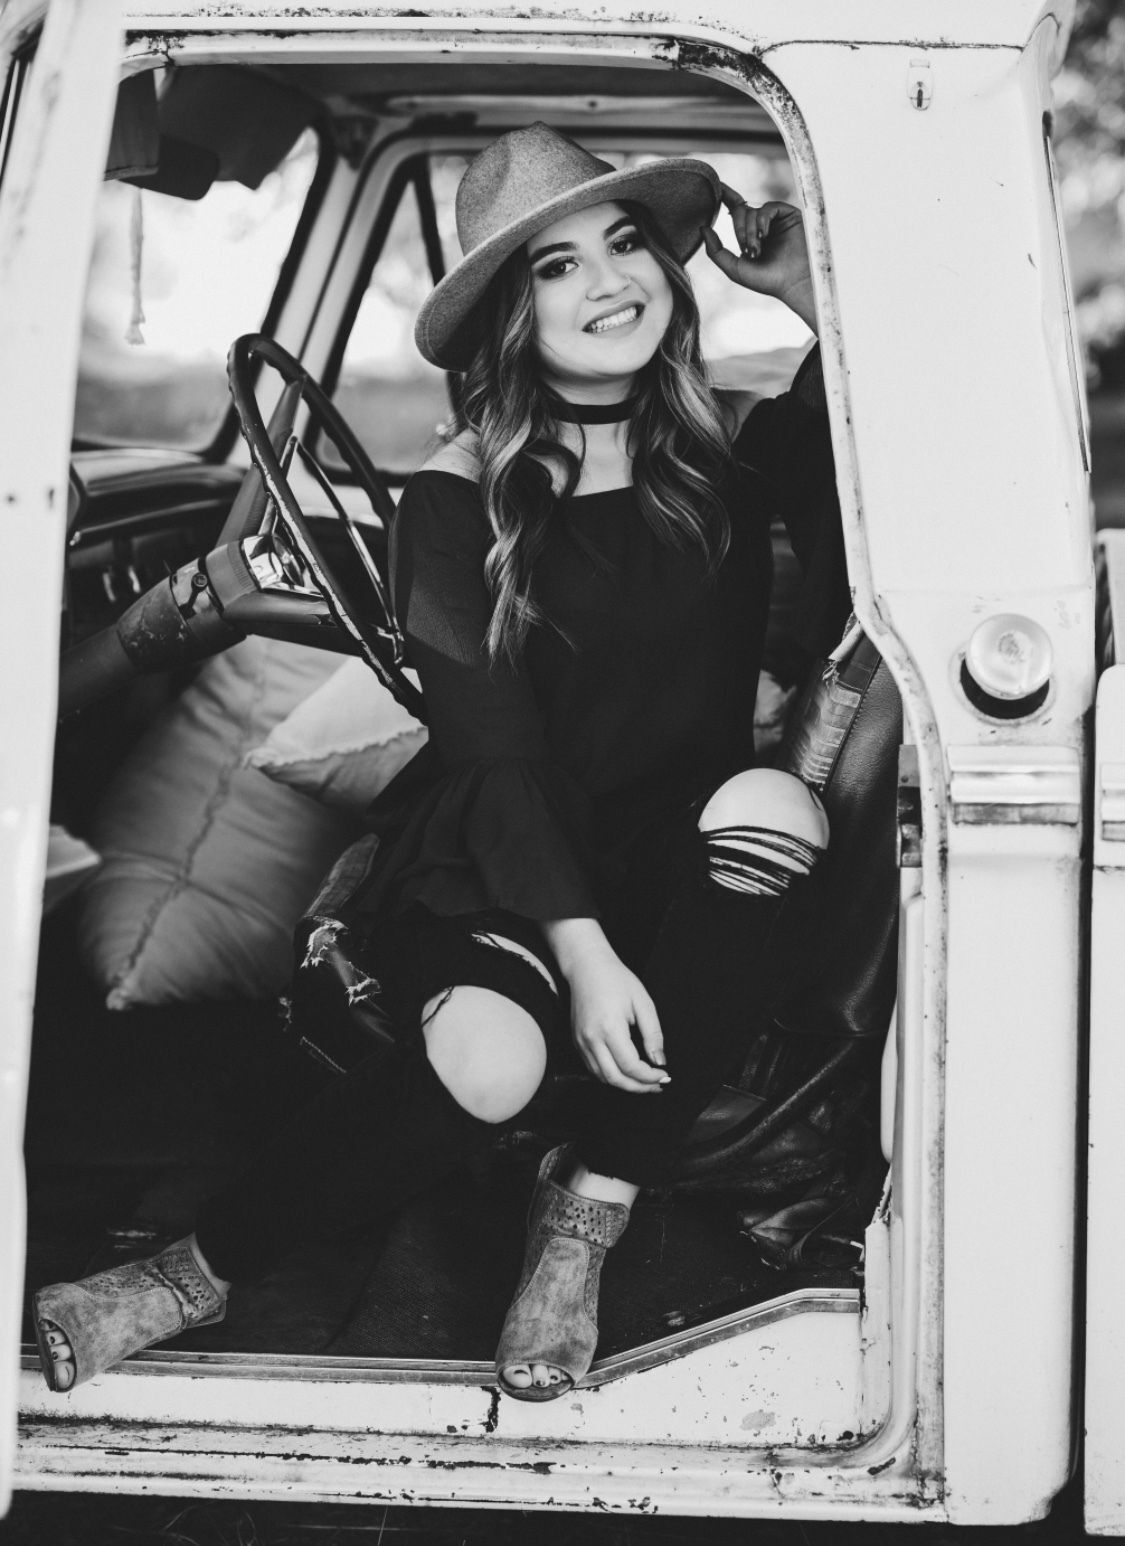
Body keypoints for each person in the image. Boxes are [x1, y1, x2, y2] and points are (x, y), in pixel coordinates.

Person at [34, 121, 846, 1402]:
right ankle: (189, 1271)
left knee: (772, 806)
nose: (608, 282)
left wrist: (802, 296)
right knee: (490, 1063)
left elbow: (897, 469)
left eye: (624, 243)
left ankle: (584, 1208)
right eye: (555, 266)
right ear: (509, 316)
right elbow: (494, 750)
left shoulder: (726, 454)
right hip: (505, 851)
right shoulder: (457, 494)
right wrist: (579, 955)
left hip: (681, 843)